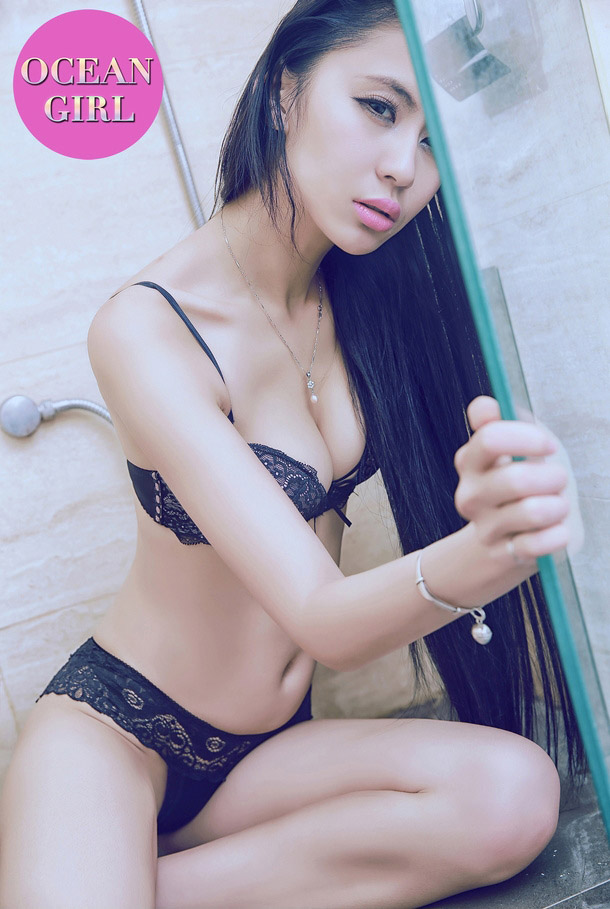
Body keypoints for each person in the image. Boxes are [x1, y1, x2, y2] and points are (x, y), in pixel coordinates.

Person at [0, 1, 584, 907]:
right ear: (286, 91)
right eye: (379, 108)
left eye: (431, 142)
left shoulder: (367, 305)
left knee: (515, 797)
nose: (403, 167)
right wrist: (483, 555)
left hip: (267, 756)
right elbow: (319, 614)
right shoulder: (147, 327)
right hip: (117, 735)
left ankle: (119, 881)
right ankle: (86, 857)